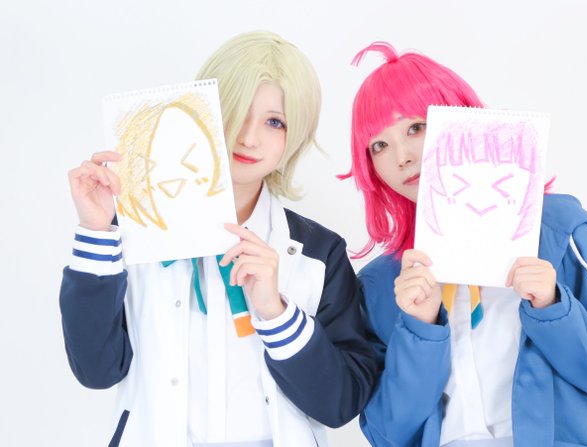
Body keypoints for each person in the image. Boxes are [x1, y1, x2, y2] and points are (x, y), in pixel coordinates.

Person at [60, 31, 376, 447]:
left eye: (274, 122)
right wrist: (97, 234)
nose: (249, 137)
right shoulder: (135, 232)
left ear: (294, 135)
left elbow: (340, 404)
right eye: (235, 110)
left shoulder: (320, 254)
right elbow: (95, 371)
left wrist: (277, 313)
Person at [344, 41, 587, 447]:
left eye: (415, 127)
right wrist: (420, 329)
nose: (401, 156)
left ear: (460, 118)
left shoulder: (556, 229)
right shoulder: (383, 283)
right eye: (378, 145)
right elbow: (386, 434)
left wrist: (554, 308)